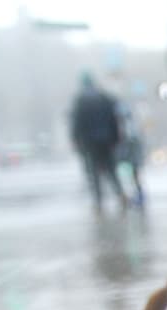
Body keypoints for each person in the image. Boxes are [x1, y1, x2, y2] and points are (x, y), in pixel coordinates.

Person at [70, 73, 127, 212]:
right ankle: (120, 194)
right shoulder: (104, 97)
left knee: (93, 172)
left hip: (89, 142)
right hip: (107, 140)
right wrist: (116, 138)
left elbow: (77, 122)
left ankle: (98, 201)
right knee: (111, 169)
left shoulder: (80, 100)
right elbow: (114, 119)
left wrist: (76, 139)